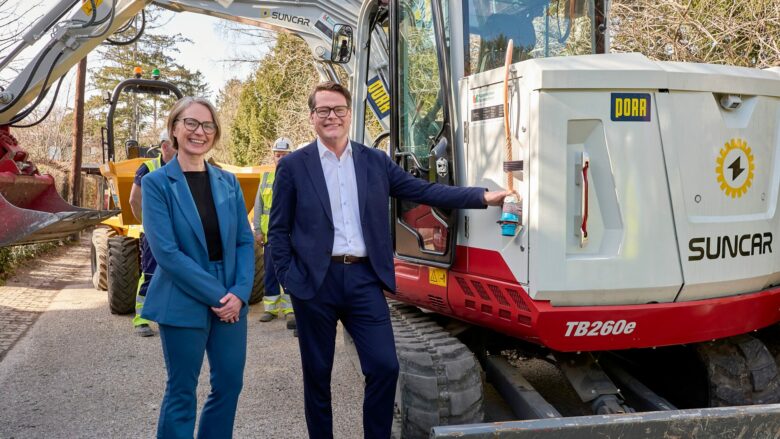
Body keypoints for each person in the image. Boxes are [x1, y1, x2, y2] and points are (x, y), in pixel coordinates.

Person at [268, 81, 508, 439]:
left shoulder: (374, 161)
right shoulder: (294, 167)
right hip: (315, 283)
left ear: (349, 115)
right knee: (318, 375)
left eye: (338, 110)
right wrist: (290, 278)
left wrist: (481, 196)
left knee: (384, 367)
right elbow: (278, 230)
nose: (331, 116)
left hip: (363, 279)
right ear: (312, 117)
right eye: (323, 111)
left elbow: (423, 190)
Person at [140, 96, 254, 438]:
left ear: (215, 133)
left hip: (231, 292)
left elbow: (244, 242)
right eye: (190, 123)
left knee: (230, 384)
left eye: (207, 125)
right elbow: (168, 254)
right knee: (181, 391)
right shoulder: (156, 183)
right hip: (183, 293)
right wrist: (220, 296)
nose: (199, 132)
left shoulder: (228, 182)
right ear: (175, 128)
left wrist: (240, 293)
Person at [128, 130, 175, 337]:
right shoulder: (147, 168)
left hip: (176, 233)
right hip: (155, 234)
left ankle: (170, 315)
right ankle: (142, 319)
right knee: (151, 273)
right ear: (165, 147)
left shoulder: (182, 168)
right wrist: (148, 224)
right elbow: (133, 200)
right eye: (177, 145)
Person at [254, 137, 295, 332]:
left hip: (290, 236)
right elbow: (259, 206)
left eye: (284, 155)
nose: (280, 159)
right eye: (277, 155)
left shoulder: (296, 177)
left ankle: (290, 310)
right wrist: (258, 231)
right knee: (270, 272)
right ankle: (270, 309)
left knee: (288, 272)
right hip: (270, 236)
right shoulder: (266, 178)